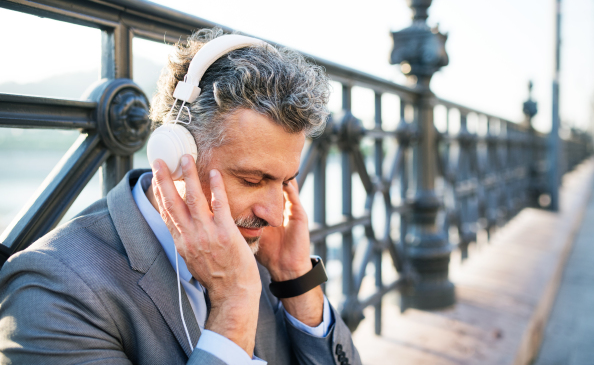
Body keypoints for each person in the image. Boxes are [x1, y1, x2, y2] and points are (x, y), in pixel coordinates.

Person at [0, 28, 361, 365]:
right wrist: (235, 301)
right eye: (252, 180)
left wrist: (295, 279)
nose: (272, 213)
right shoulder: (55, 289)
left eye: (285, 182)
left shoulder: (265, 253)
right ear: (172, 156)